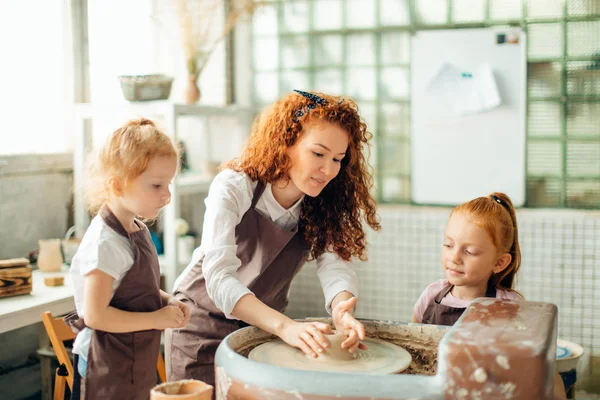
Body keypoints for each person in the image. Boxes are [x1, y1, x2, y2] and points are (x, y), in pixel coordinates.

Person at [166, 90, 381, 387]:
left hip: (261, 328)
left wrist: (343, 309)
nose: (328, 170)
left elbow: (335, 264)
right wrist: (285, 327)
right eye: (318, 154)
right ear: (286, 142)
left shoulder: (322, 202)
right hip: (200, 323)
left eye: (338, 159)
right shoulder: (235, 185)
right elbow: (218, 278)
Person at [66, 118, 190, 400]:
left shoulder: (136, 228)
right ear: (118, 185)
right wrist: (157, 318)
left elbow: (133, 290)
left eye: (168, 184)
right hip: (106, 364)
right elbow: (96, 315)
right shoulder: (105, 243)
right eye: (157, 185)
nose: (167, 195)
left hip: (132, 358)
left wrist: (165, 300)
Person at [412, 192, 566, 400]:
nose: (454, 257)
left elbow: (534, 368)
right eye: (448, 245)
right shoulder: (431, 296)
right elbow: (413, 347)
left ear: (499, 263)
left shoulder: (510, 306)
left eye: (470, 251)